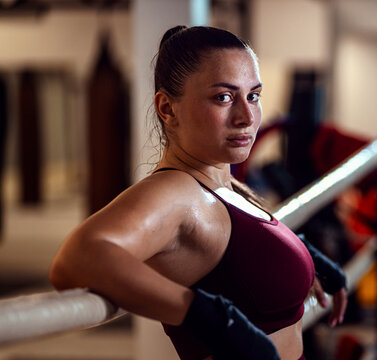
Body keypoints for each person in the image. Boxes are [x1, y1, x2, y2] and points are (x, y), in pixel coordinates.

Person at [49, 25, 347, 360]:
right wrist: (210, 316)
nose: (247, 117)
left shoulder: (225, 184)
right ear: (167, 109)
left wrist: (297, 254)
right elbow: (76, 258)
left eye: (253, 96)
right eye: (223, 97)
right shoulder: (175, 191)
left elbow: (234, 251)